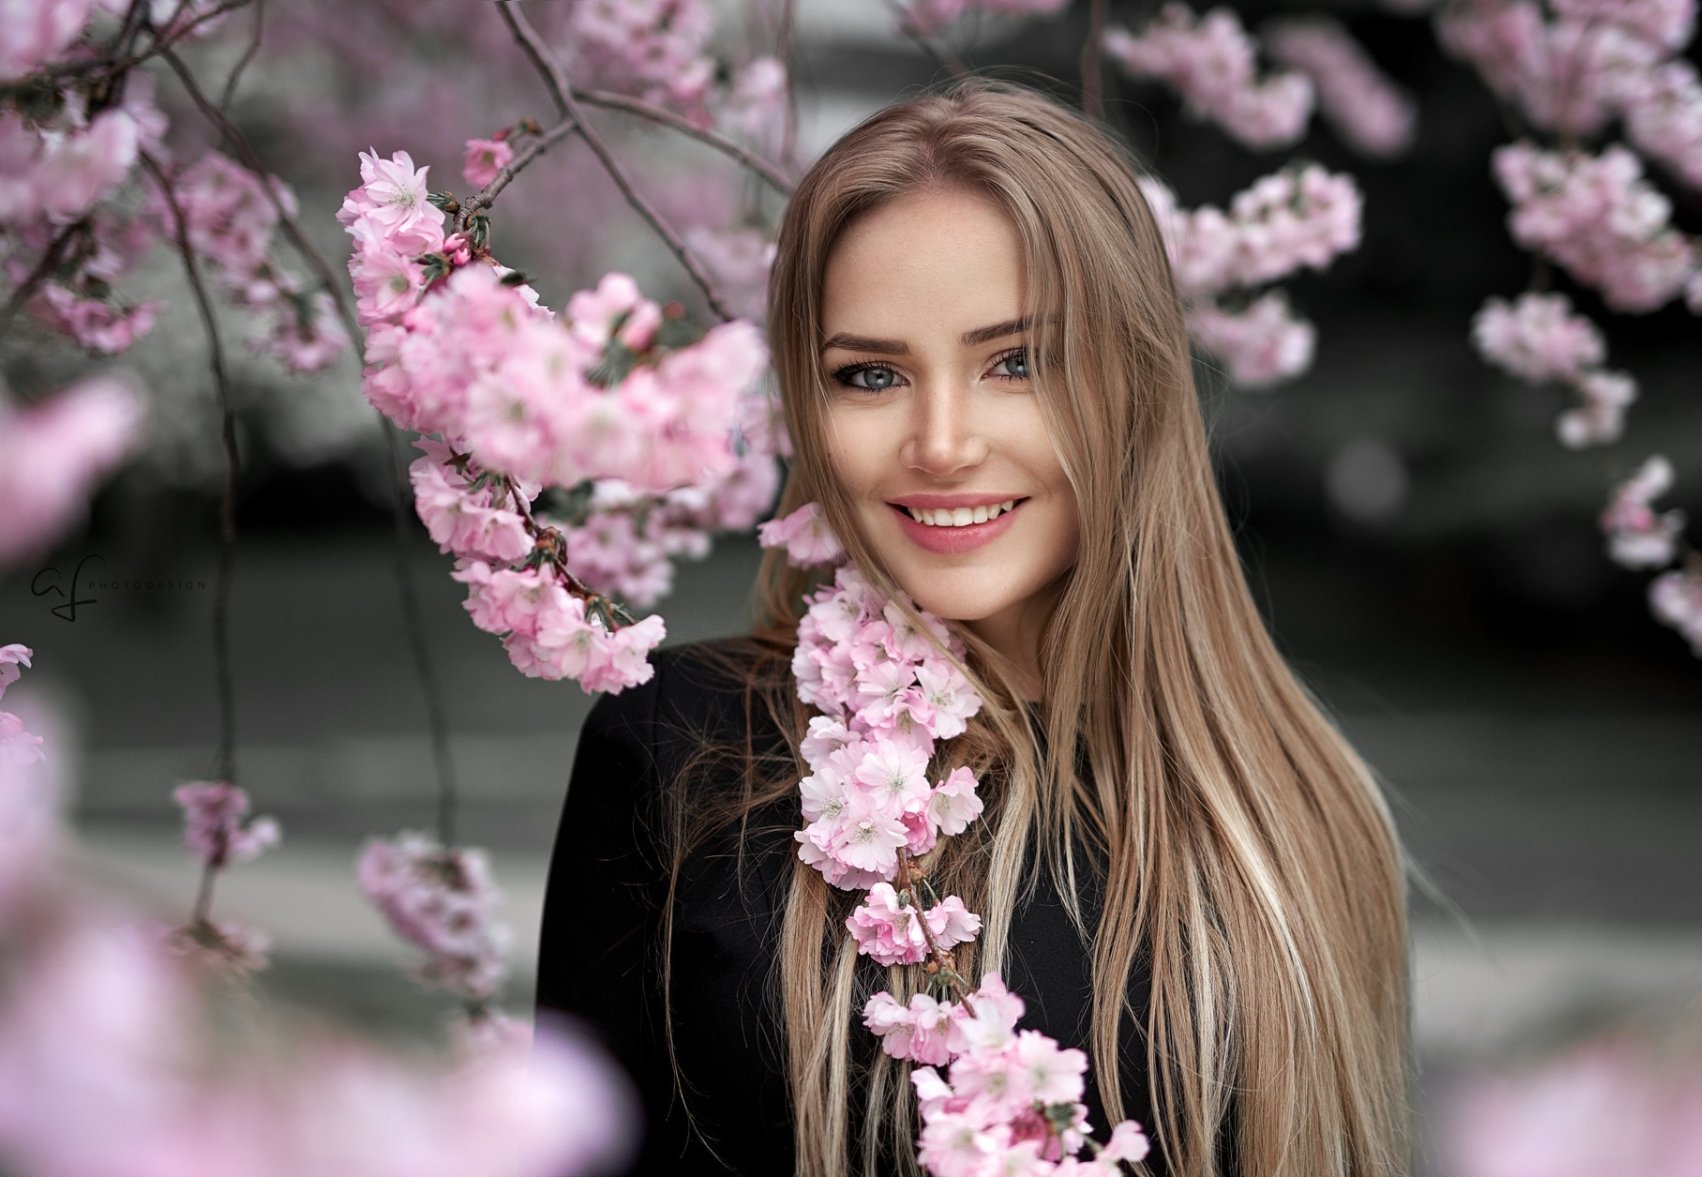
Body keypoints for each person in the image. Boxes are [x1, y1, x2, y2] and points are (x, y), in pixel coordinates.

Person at [535, 76, 1411, 1177]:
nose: (941, 442)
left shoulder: (1294, 810)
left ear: (1132, 381)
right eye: (871, 374)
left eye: (1016, 361)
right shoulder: (686, 749)